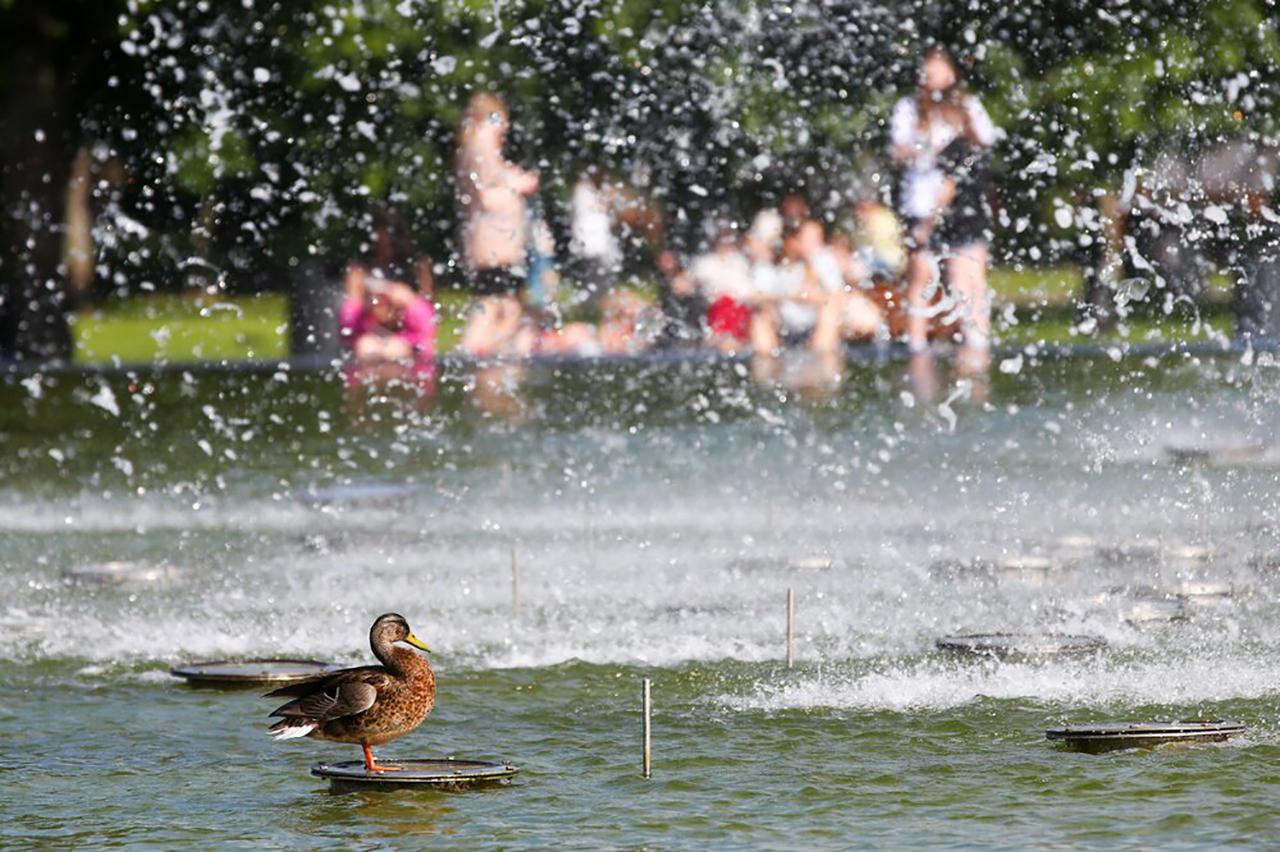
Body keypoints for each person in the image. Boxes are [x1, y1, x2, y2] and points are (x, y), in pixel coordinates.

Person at [890, 46, 999, 374]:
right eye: (928, 71)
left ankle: (976, 343)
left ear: (951, 74)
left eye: (938, 70)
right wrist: (923, 150)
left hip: (962, 203)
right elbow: (897, 151)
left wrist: (956, 160)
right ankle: (917, 346)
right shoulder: (909, 109)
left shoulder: (967, 107)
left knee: (968, 275)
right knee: (921, 274)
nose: (933, 78)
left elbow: (984, 144)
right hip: (923, 202)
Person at [456, 91, 539, 357]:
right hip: (495, 241)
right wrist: (516, 185)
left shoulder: (474, 145)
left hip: (491, 240)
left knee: (502, 304)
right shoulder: (482, 143)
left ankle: (487, 358)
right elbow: (487, 196)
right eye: (501, 120)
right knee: (498, 303)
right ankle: (478, 356)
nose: (505, 128)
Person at [339, 267, 436, 365]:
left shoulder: (406, 316)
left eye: (385, 301)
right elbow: (348, 325)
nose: (380, 305)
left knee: (396, 348)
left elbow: (427, 330)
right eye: (375, 300)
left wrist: (410, 301)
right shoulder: (361, 315)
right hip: (369, 364)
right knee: (366, 346)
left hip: (406, 365)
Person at [569, 167, 622, 311]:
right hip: (591, 242)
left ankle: (596, 307)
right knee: (593, 276)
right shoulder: (585, 191)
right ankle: (591, 308)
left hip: (597, 242)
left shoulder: (587, 190)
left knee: (600, 277)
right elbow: (598, 207)